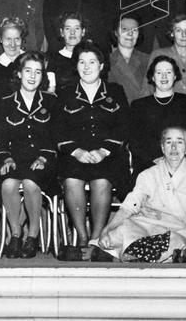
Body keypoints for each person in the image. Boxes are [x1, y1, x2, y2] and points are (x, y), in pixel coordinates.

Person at [55, 41, 131, 261]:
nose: (86, 67)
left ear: (101, 66)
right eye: (81, 62)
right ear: (76, 66)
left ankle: (96, 239)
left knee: (102, 181)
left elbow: (124, 126)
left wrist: (104, 151)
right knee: (72, 180)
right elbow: (57, 129)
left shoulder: (115, 91)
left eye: (92, 62)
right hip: (75, 155)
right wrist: (76, 151)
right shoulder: (66, 92)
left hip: (106, 156)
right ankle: (81, 236)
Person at [95, 127, 186, 263]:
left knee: (173, 243)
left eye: (179, 142)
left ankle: (123, 253)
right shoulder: (149, 174)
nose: (173, 147)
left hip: (179, 231)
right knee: (119, 232)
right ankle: (127, 252)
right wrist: (106, 230)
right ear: (162, 148)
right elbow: (130, 205)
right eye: (168, 142)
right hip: (147, 225)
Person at [0, 51, 57, 259]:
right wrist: (6, 158)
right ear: (19, 74)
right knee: (8, 184)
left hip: (43, 160)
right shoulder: (5, 102)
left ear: (43, 76)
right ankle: (15, 234)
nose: (32, 76)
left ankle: (32, 235)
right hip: (16, 159)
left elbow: (56, 137)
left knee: (31, 183)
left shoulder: (51, 102)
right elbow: (0, 139)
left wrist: (44, 157)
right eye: (28, 71)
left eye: (38, 72)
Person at [127, 55, 186, 173]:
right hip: (148, 165)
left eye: (168, 72)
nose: (164, 76)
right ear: (153, 77)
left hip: (181, 163)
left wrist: (174, 159)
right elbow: (135, 142)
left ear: (175, 76)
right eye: (159, 73)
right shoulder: (138, 105)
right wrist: (156, 161)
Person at [147, 14, 186, 94]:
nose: (184, 34)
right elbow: (147, 88)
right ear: (172, 33)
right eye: (178, 30)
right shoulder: (158, 54)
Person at [107, 15, 152, 103]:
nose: (130, 33)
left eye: (134, 30)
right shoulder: (106, 61)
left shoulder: (149, 59)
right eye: (124, 29)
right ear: (116, 32)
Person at [0, 17, 27, 96]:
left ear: (22, 39)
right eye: (8, 39)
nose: (12, 44)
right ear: (0, 39)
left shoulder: (32, 62)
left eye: (16, 39)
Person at [46, 12, 86, 92]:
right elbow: (51, 90)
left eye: (77, 28)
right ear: (61, 32)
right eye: (68, 28)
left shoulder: (90, 58)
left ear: (83, 32)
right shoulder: (52, 59)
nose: (72, 32)